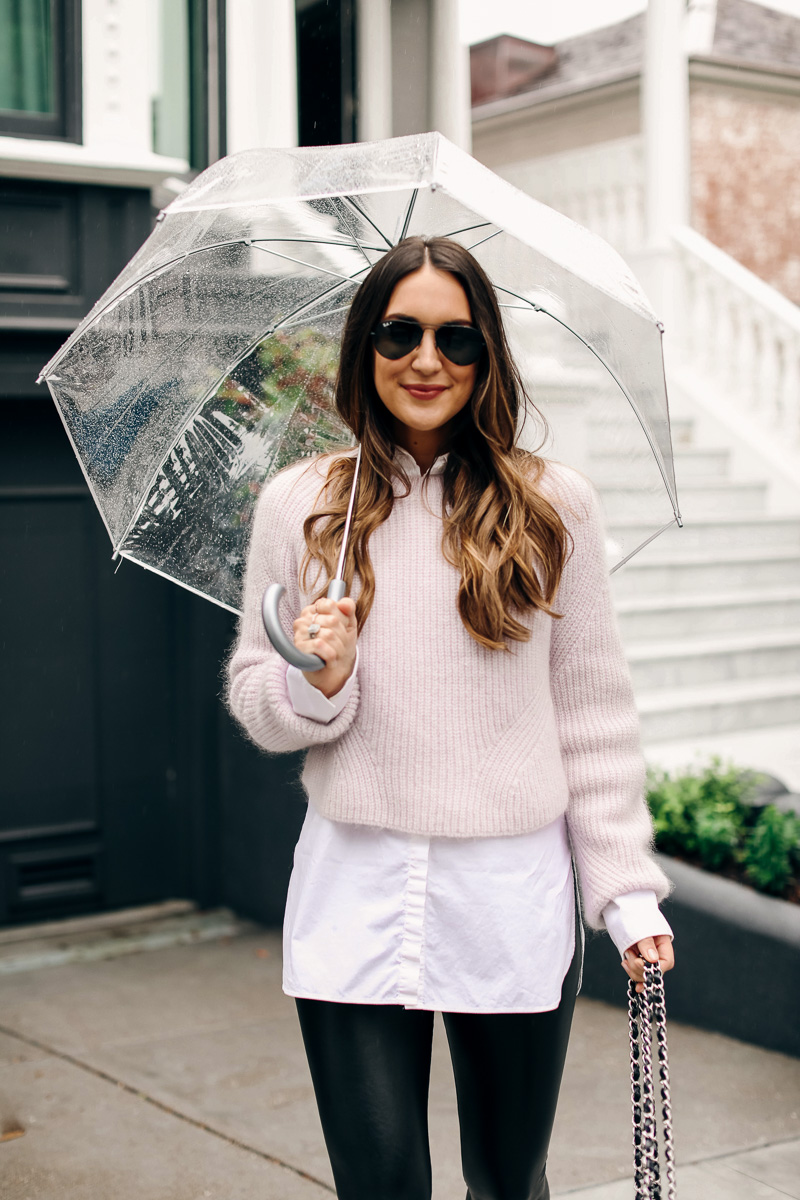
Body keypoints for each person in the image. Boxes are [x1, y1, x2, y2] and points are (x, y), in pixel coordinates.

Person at [227, 236, 675, 1200]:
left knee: (509, 1183)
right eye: (400, 332)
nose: (426, 361)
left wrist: (626, 893)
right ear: (365, 345)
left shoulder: (555, 508)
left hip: (510, 892)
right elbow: (258, 699)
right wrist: (318, 678)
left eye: (455, 340)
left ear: (486, 357)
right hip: (355, 886)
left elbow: (591, 711)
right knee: (379, 1184)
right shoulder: (301, 505)